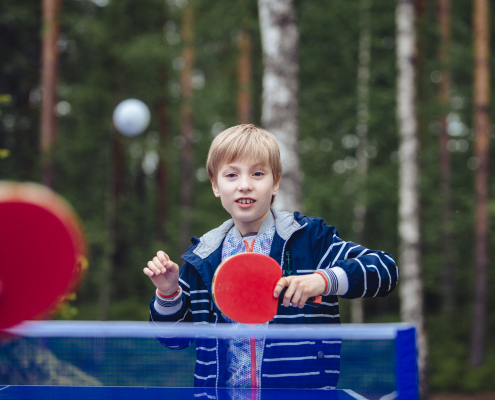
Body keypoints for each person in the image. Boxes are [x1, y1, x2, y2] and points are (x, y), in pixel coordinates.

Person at [143, 124, 398, 390]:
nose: (244, 185)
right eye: (231, 175)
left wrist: (322, 280)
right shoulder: (203, 258)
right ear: (215, 185)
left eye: (257, 173)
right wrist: (169, 293)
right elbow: (172, 339)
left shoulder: (311, 239)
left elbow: (384, 269)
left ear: (275, 181)